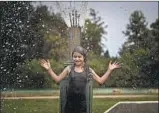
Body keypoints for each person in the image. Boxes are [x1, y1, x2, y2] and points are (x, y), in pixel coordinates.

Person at [40, 46, 121, 113]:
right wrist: (49, 69)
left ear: (84, 57)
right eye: (75, 57)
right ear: (72, 57)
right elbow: (57, 79)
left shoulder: (88, 70)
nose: (77, 59)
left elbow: (100, 81)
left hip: (82, 105)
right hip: (70, 104)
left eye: (79, 57)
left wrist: (109, 70)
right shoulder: (69, 69)